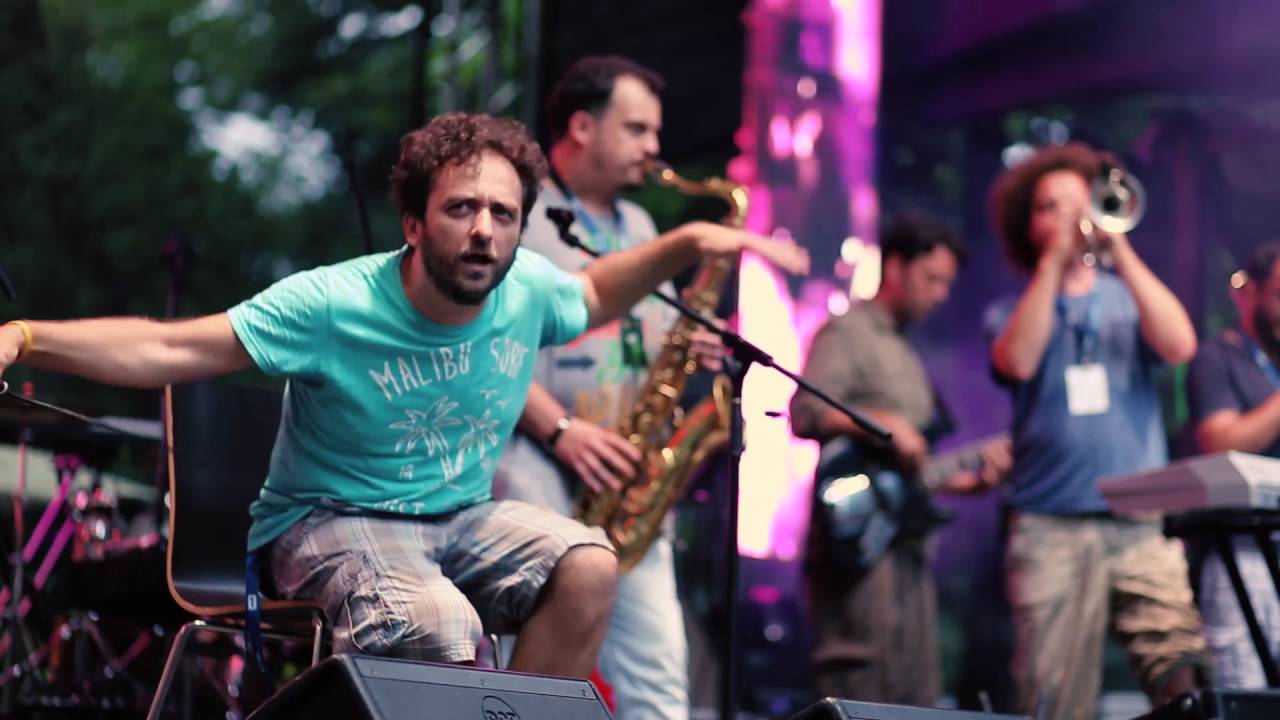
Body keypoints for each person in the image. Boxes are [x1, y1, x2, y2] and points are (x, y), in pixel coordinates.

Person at [0, 112, 808, 677]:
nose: (485, 230)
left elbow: (594, 292)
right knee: (436, 621)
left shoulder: (528, 287)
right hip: (328, 519)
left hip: (459, 518)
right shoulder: (331, 301)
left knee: (589, 565)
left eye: (503, 213)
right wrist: (27, 336)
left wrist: (689, 240)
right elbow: (170, 346)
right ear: (414, 225)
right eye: (462, 208)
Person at [491, 55, 735, 720]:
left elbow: (647, 338)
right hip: (537, 470)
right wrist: (561, 431)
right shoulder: (517, 217)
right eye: (636, 129)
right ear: (581, 127)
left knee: (661, 689)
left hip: (626, 484)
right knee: (528, 680)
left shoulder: (641, 227)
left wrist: (690, 341)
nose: (654, 147)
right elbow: (484, 348)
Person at [984, 142, 1209, 720]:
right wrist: (1052, 266)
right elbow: (1017, 362)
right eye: (1049, 207)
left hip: (1139, 522)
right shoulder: (1011, 311)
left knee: (1182, 674)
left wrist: (1120, 249)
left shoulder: (1128, 298)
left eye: (1077, 202)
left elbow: (1180, 345)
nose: (1067, 215)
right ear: (1028, 226)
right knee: (1054, 698)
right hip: (1049, 526)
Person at [789, 215, 1011, 706]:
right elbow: (805, 412)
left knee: (915, 689)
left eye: (947, 283)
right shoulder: (848, 332)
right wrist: (882, 421)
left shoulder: (904, 349)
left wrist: (965, 483)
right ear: (894, 267)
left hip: (905, 546)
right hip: (856, 543)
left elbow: (905, 469)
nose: (941, 294)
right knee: (858, 678)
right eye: (932, 279)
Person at [1186, 242, 1280, 688]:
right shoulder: (1217, 358)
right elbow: (1221, 443)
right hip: (1243, 550)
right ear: (1250, 293)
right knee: (1246, 688)